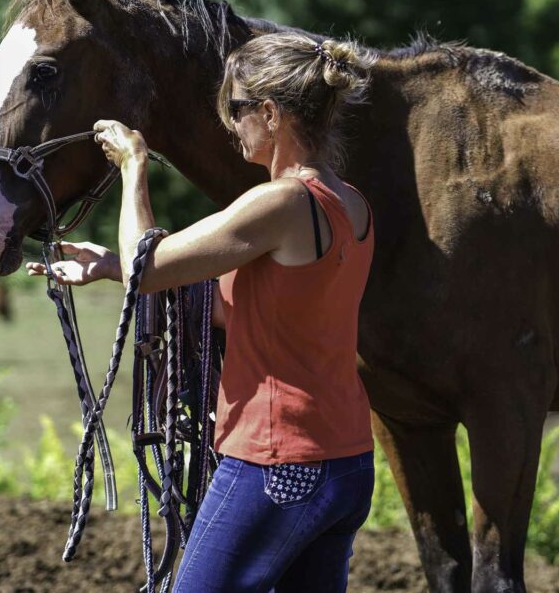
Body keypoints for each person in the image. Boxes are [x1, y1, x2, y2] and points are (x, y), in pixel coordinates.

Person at [26, 32, 377, 591]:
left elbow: (153, 267)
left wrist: (133, 167)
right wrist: (111, 265)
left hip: (276, 460)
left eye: (236, 110)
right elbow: (260, 309)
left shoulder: (281, 202)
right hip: (346, 463)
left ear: (270, 112)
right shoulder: (351, 205)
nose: (231, 125)